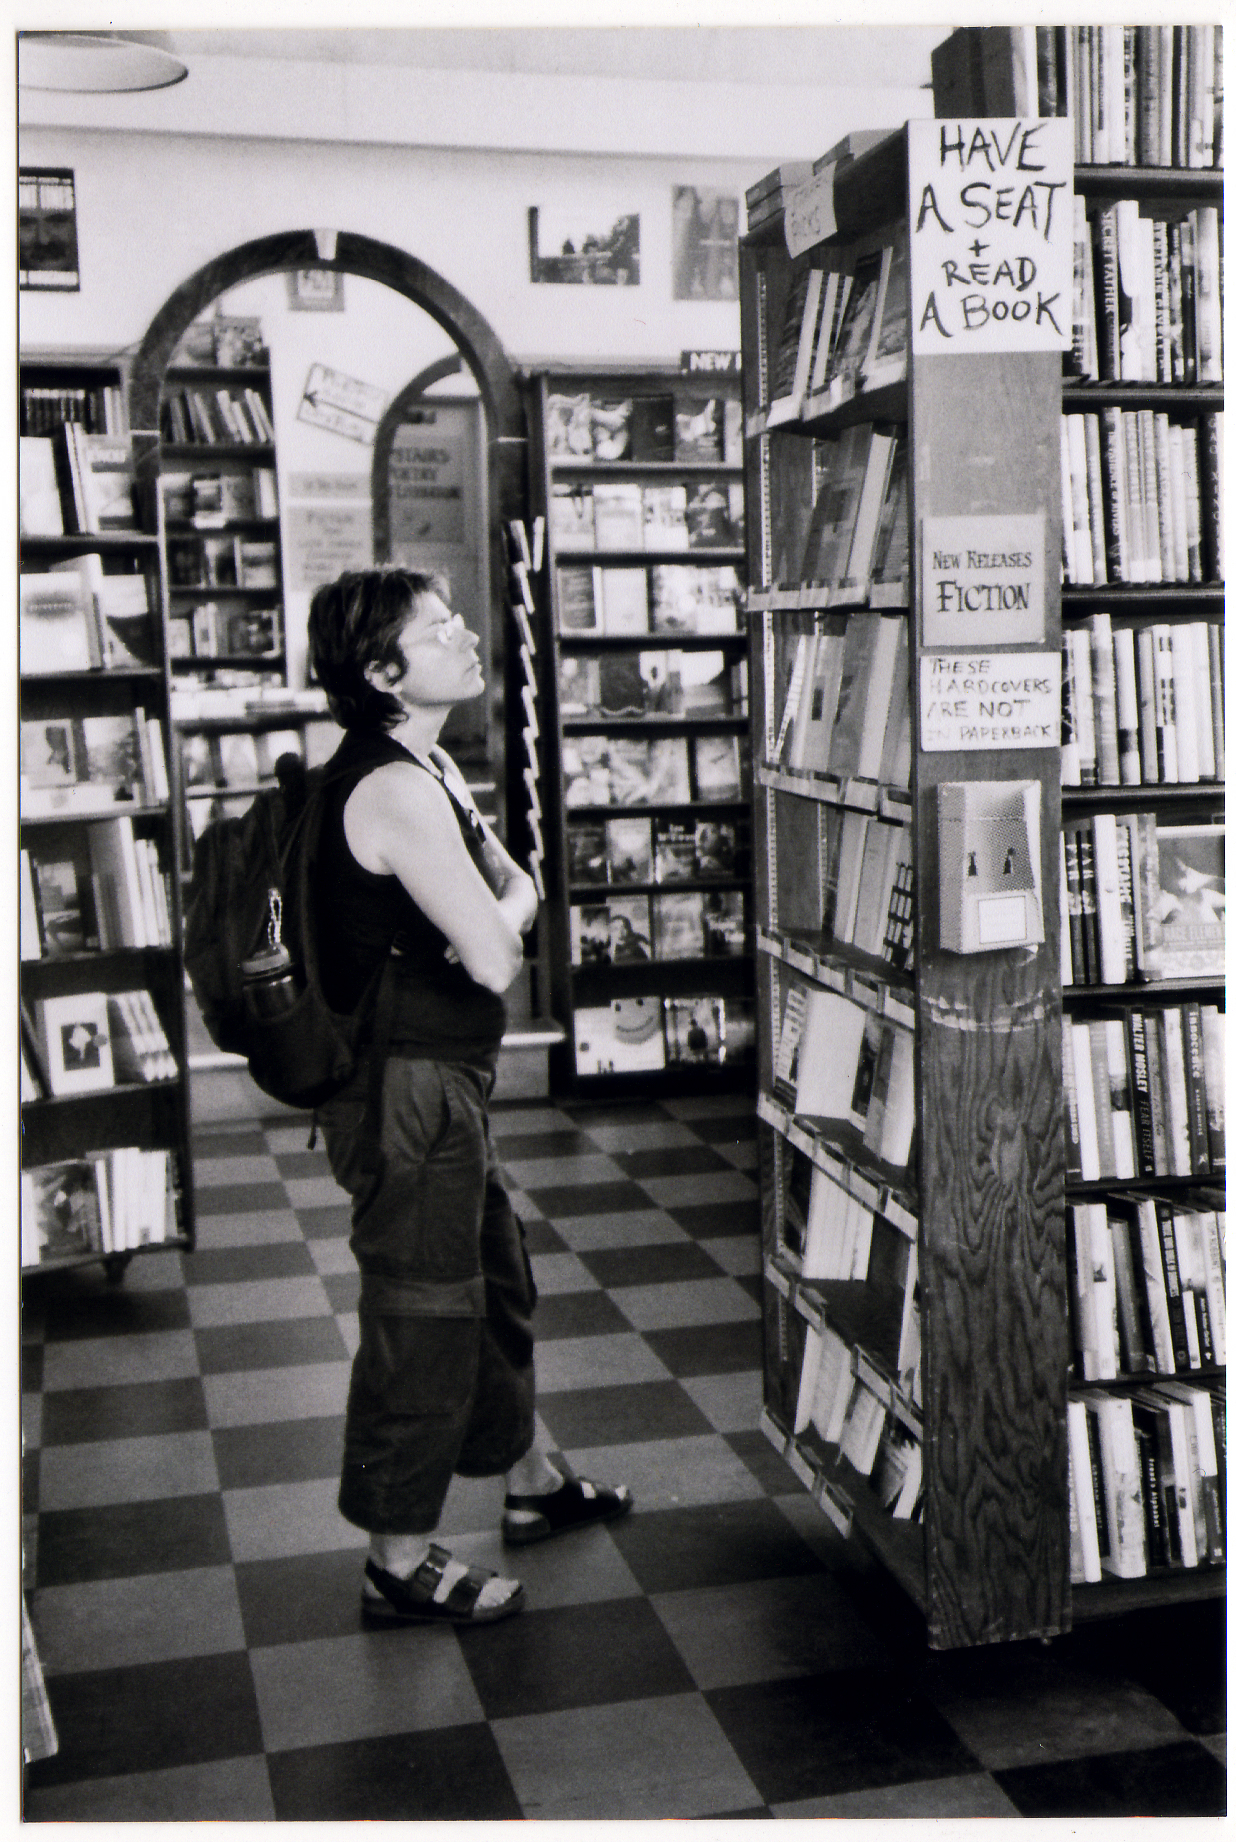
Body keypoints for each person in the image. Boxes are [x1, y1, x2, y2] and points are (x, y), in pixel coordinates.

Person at [307, 568, 631, 1627]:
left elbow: (487, 912)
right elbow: (497, 953)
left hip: (445, 1085)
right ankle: (396, 1559)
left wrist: (501, 900)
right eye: (438, 628)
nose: (468, 634)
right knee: (424, 1314)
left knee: (492, 1286)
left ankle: (531, 1484)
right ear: (380, 670)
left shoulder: (427, 761)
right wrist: (524, 895)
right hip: (408, 1098)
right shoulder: (393, 788)